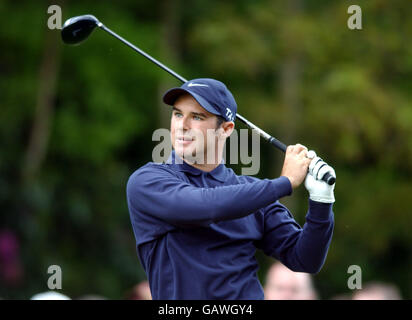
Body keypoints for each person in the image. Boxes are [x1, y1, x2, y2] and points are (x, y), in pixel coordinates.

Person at [126, 78, 336, 299]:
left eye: (197, 117)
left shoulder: (252, 193)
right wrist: (285, 182)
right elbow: (203, 206)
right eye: (178, 114)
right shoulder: (148, 181)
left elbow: (305, 259)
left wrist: (321, 201)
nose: (182, 125)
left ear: (226, 129)